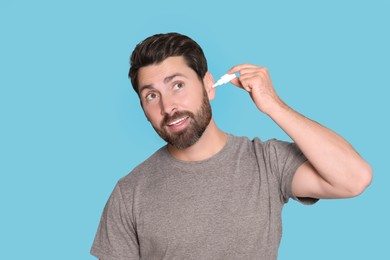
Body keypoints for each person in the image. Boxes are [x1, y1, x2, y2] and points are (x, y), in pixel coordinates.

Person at [90, 32, 372, 260]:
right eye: (151, 95)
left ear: (208, 86)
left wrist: (273, 105)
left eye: (177, 85)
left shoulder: (267, 162)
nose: (168, 107)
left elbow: (354, 178)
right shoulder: (129, 193)